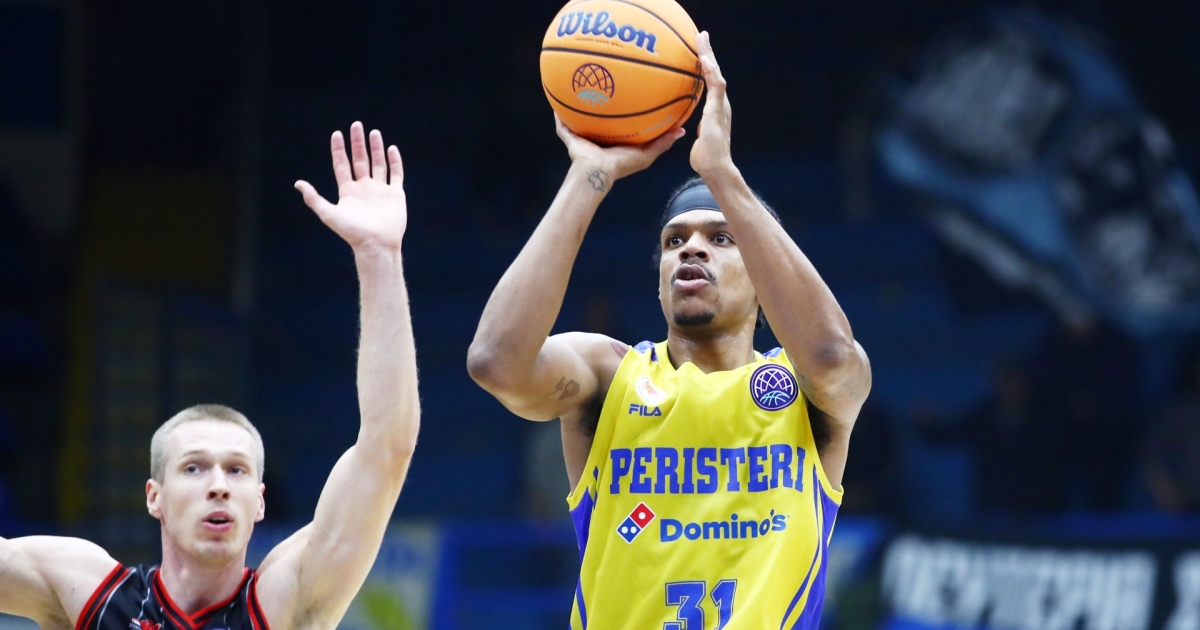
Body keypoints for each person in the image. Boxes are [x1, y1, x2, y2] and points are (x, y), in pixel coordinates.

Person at [468, 32, 872, 629]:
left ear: (764, 280)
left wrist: (722, 174)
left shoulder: (805, 391)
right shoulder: (609, 376)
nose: (691, 250)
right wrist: (589, 174)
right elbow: (495, 361)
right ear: (659, 278)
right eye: (674, 240)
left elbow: (834, 354)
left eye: (721, 238)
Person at [0, 122, 419, 630]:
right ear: (154, 495)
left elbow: (386, 449)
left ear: (259, 501)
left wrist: (379, 256)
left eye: (237, 470)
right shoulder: (90, 593)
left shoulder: (284, 602)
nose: (218, 486)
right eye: (194, 468)